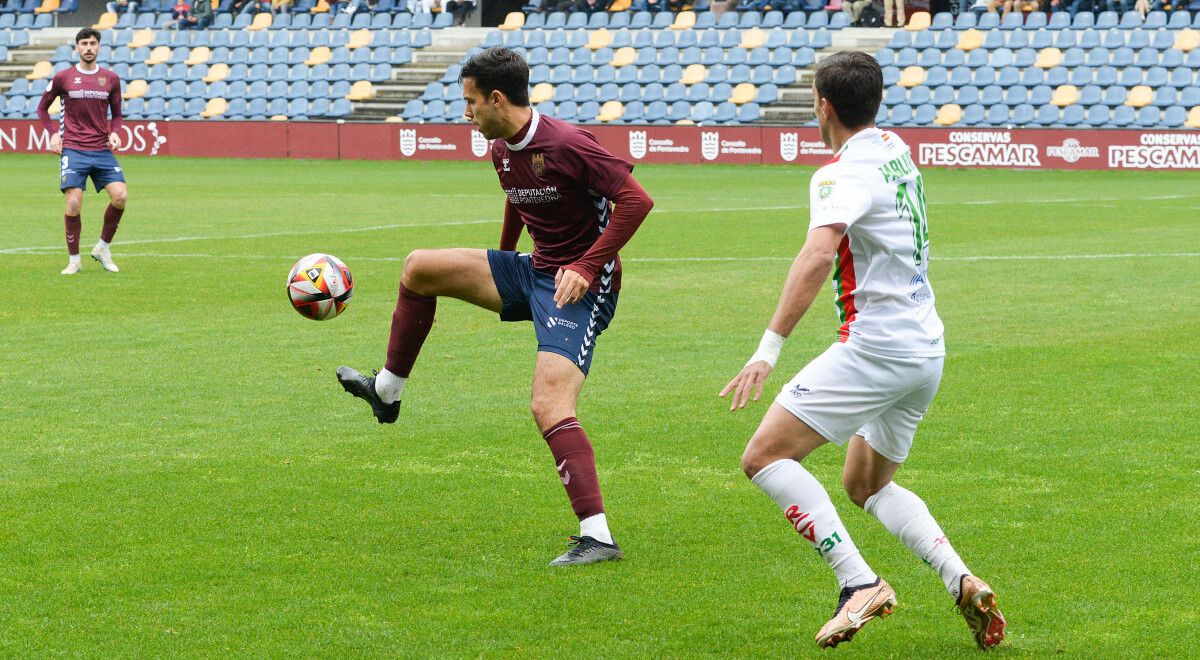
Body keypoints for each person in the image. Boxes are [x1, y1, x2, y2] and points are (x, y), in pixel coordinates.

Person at [719, 51, 1006, 651]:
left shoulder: (839, 173)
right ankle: (962, 580)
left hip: (876, 348)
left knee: (764, 456)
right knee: (866, 484)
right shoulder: (896, 149)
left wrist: (767, 350)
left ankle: (859, 584)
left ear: (822, 105)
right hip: (925, 347)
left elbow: (818, 254)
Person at [336, 47, 654, 567]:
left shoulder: (569, 142)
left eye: (470, 102)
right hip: (533, 271)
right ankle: (386, 392)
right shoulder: (501, 146)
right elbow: (519, 195)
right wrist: (505, 258)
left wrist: (588, 267)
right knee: (419, 267)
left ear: (497, 98)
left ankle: (598, 537)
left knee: (549, 404)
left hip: (582, 286)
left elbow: (637, 201)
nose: (466, 114)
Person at [37, 28, 127, 276]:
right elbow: (42, 109)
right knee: (74, 202)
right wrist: (53, 133)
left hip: (101, 148)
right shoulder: (63, 77)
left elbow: (117, 114)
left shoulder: (110, 78)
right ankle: (74, 259)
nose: (89, 47)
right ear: (77, 47)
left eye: (93, 43)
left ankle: (102, 248)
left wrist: (115, 131)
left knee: (120, 196)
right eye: (84, 43)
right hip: (73, 149)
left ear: (98, 47)